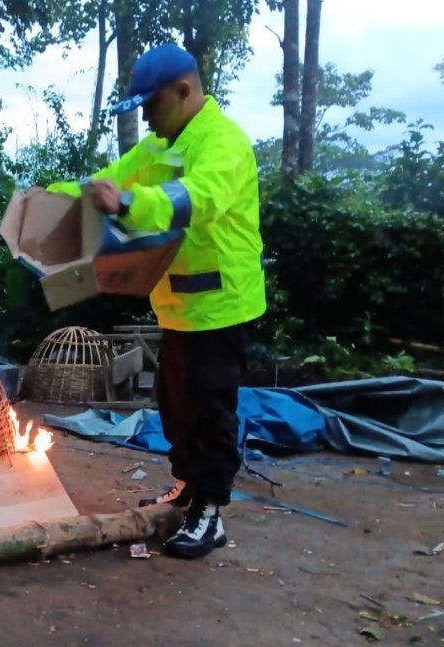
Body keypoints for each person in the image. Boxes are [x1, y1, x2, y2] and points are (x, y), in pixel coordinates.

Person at [50, 44, 266, 559]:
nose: (146, 116)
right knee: (176, 407)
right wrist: (49, 199)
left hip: (221, 309)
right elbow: (105, 183)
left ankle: (210, 512)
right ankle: (189, 489)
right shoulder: (156, 148)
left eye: (152, 104)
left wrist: (126, 202)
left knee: (210, 410)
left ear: (184, 92)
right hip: (178, 310)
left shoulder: (224, 143)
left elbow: (196, 198)